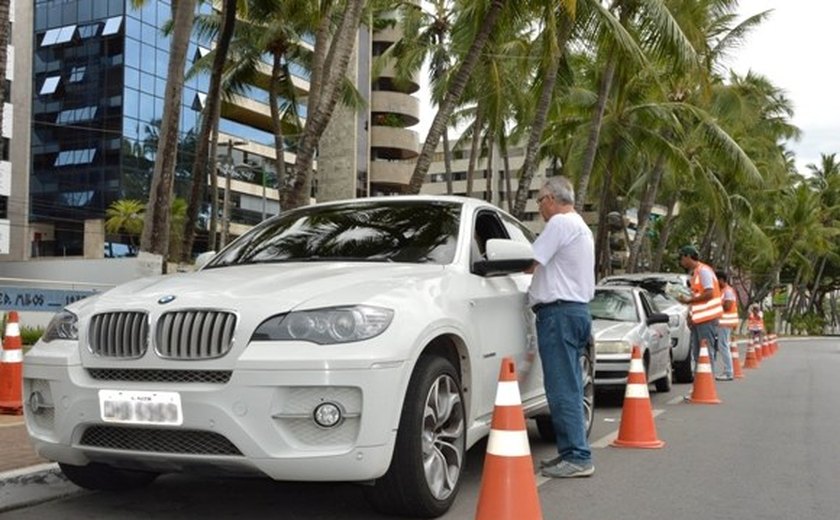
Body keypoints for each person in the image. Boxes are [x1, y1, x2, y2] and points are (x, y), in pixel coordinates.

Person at [526, 176, 595, 479]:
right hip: (575, 312)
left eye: (540, 201)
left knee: (562, 388)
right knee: (569, 386)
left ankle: (578, 457)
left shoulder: (559, 224)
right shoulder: (580, 226)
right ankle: (571, 452)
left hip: (559, 315)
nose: (540, 207)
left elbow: (531, 262)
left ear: (552, 199)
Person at [676, 245, 723, 367]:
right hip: (699, 319)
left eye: (681, 258)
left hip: (707, 318)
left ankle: (707, 384)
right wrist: (690, 315)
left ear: (688, 256)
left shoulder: (703, 271)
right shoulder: (696, 273)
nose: (681, 262)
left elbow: (709, 293)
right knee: (698, 354)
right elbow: (697, 296)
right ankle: (701, 383)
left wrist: (689, 300)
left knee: (705, 353)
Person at [715, 270, 737, 381]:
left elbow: (727, 306)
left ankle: (729, 372)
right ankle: (727, 371)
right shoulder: (722, 290)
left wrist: (715, 306)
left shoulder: (728, 291)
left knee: (723, 346)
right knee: (722, 346)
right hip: (722, 323)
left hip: (725, 322)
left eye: (716, 280)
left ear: (722, 280)